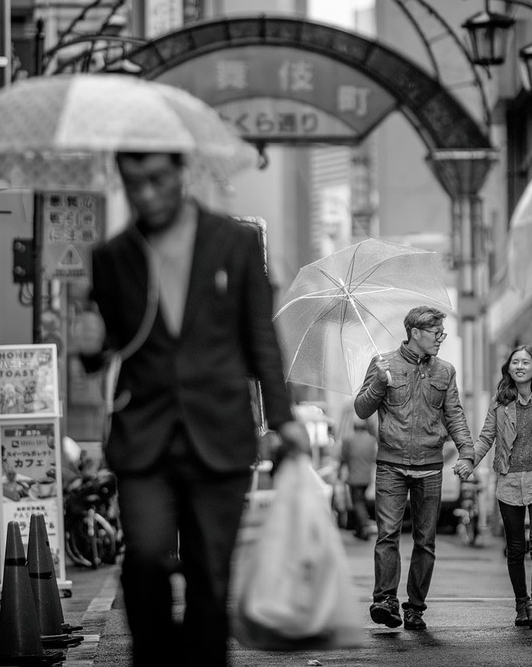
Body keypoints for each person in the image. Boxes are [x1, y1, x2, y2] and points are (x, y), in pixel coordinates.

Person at [71, 150, 309, 667]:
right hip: (144, 435)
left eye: (157, 180)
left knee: (209, 573)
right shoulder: (113, 255)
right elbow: (109, 343)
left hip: (219, 432)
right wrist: (90, 345)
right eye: (134, 184)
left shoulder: (236, 241)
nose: (147, 194)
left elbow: (260, 338)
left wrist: (285, 420)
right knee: (147, 560)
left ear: (182, 174)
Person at [354, 306, 475, 631]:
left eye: (442, 334)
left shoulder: (444, 371)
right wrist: (379, 383)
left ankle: (415, 608)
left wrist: (466, 452)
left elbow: (454, 415)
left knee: (425, 541)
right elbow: (362, 409)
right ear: (416, 332)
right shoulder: (383, 364)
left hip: (430, 466)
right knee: (388, 535)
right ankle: (385, 601)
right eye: (436, 333)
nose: (440, 339)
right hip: (391, 466)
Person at [463, 344, 532, 628]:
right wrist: (468, 461)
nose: (519, 366)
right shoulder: (499, 403)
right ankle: (521, 604)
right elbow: (485, 438)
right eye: (514, 363)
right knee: (514, 547)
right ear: (508, 369)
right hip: (509, 482)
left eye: (525, 362)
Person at [339, 418, 378, 540]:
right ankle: (360, 529)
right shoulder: (372, 441)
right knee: (361, 500)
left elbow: (343, 457)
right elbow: (374, 457)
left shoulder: (348, 440)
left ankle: (364, 527)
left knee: (358, 502)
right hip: (367, 477)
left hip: (354, 477)